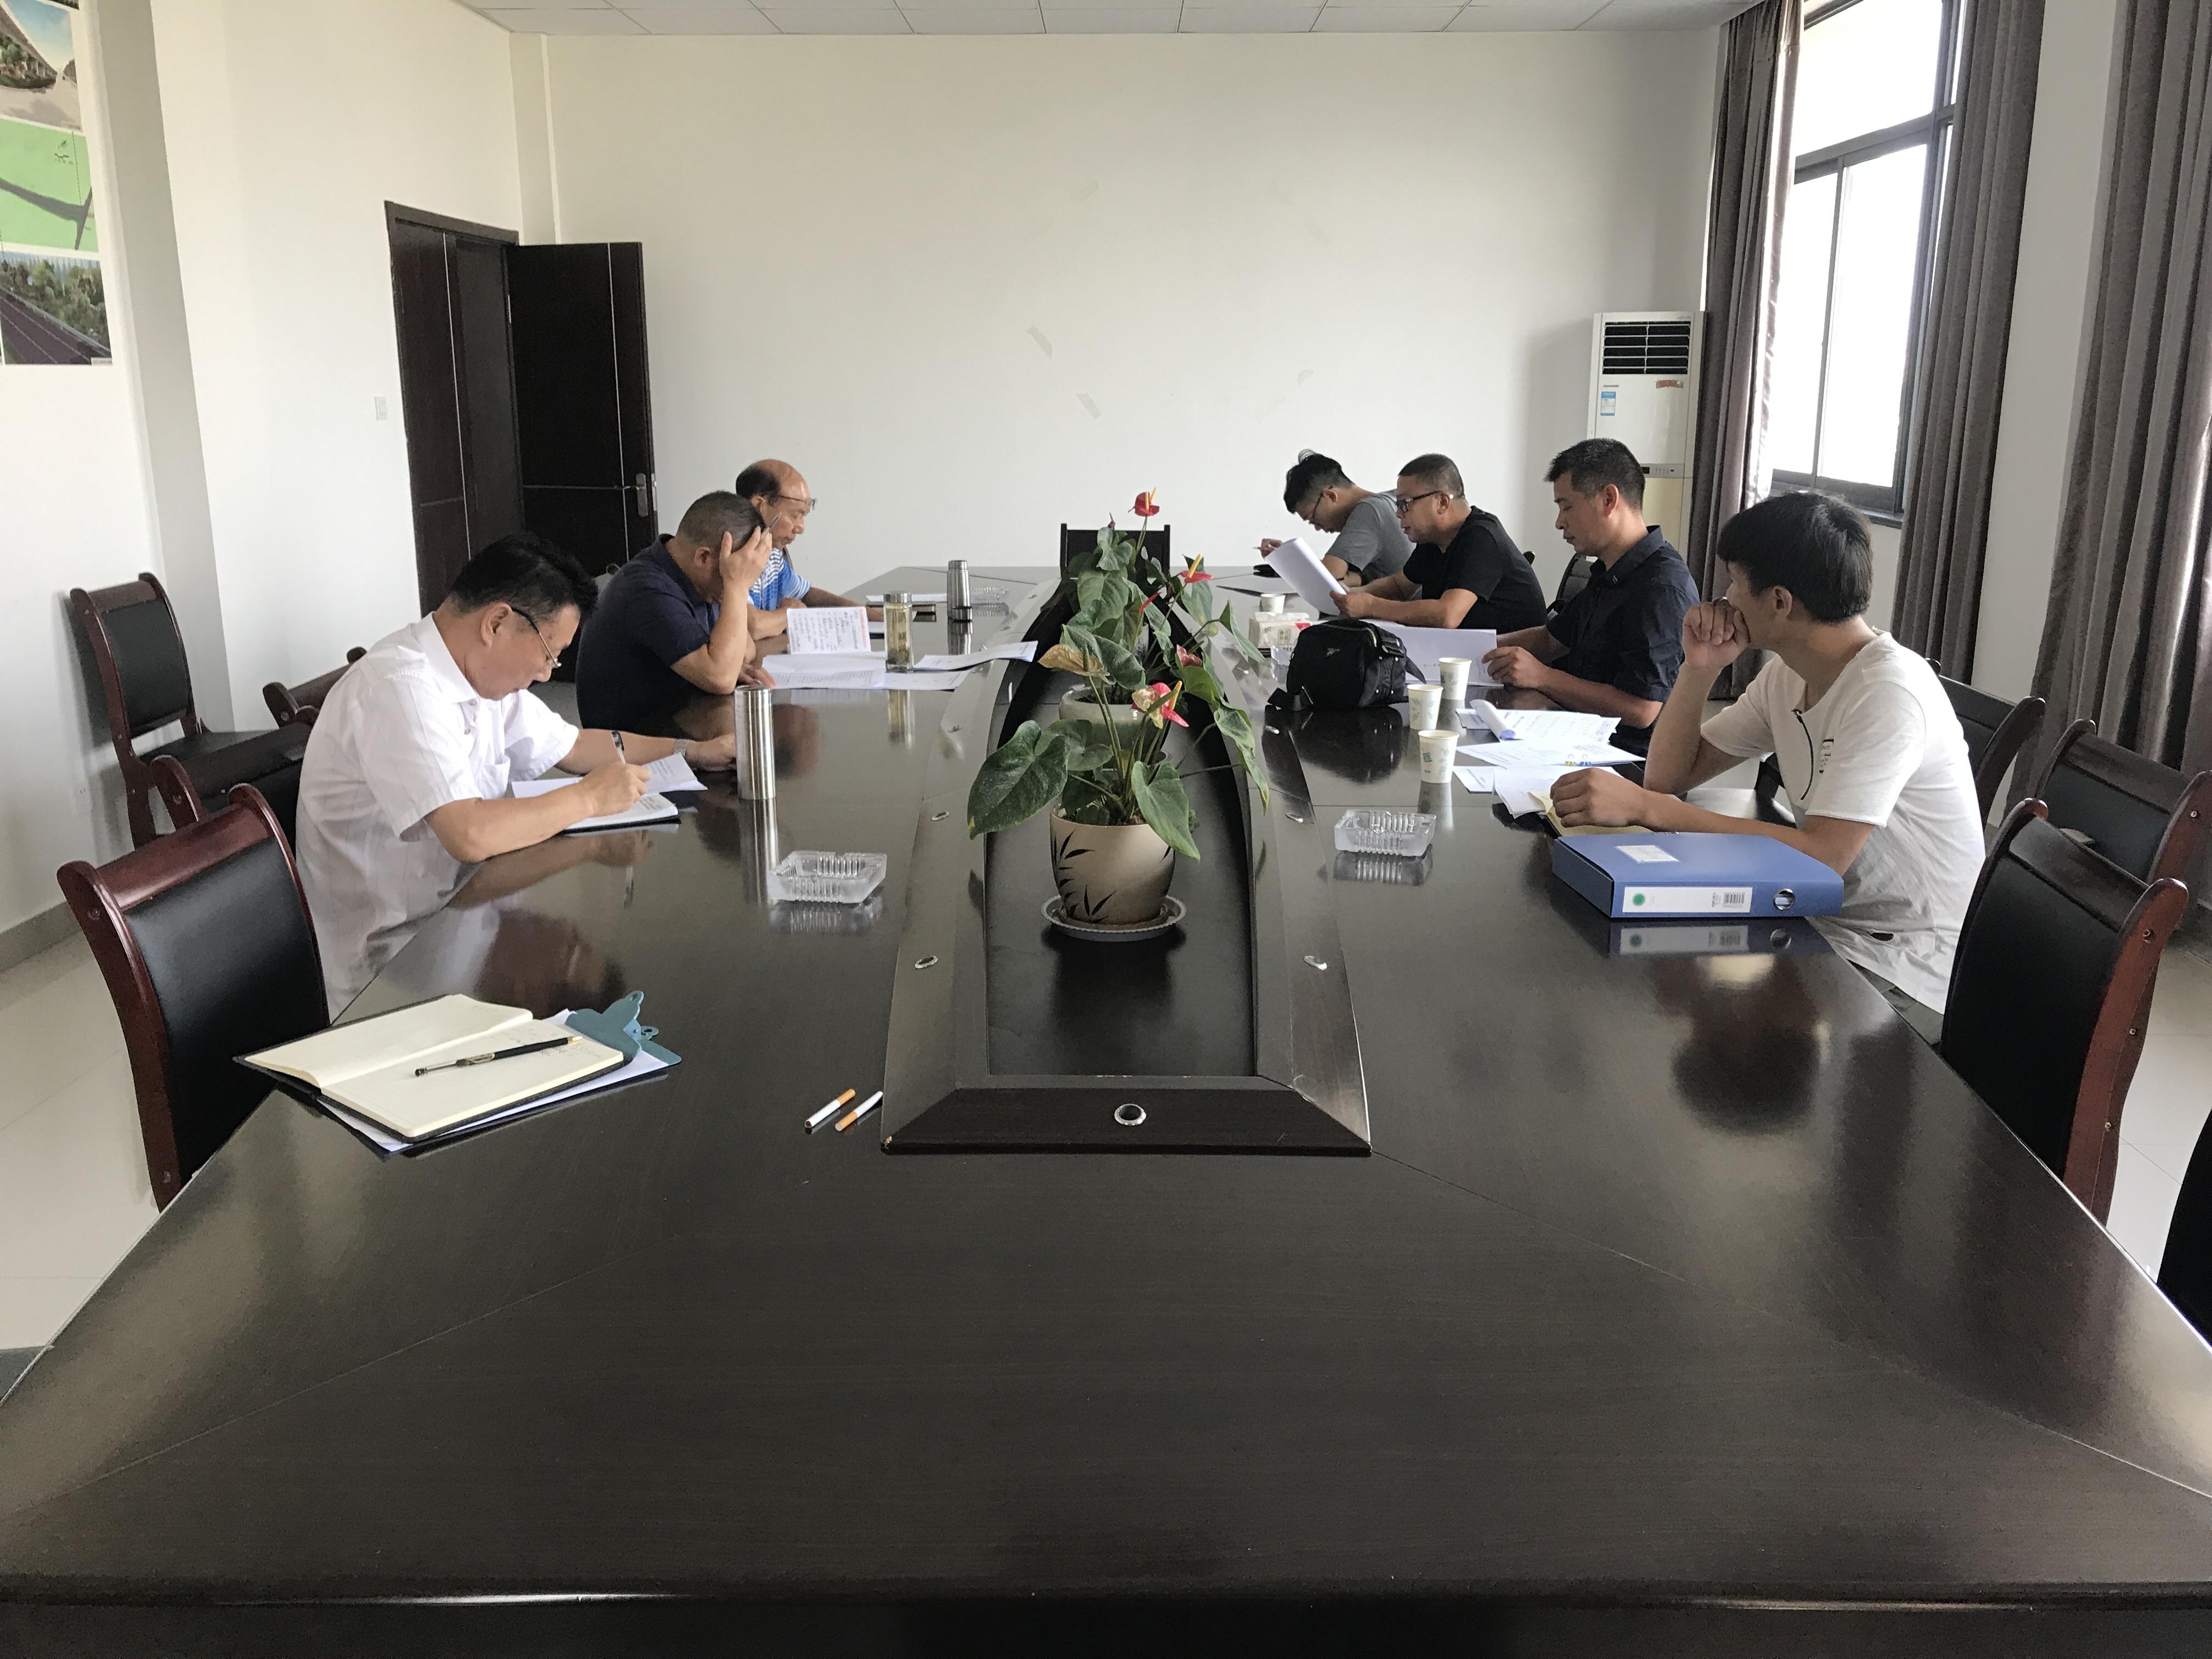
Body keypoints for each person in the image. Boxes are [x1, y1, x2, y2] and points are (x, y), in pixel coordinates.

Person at [1548, 492, 1984, 1024]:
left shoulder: (1888, 693)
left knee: (1680, 1006)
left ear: (1779, 601)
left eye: (1734, 582)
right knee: (1659, 979)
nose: (1725, 598)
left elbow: (1823, 857)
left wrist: (1646, 809)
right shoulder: (1787, 674)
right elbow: (1668, 777)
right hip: (1816, 913)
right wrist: (1700, 669)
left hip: (1901, 960)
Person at [297, 532, 738, 1013]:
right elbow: (469, 833)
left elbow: (575, 746)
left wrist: (692, 752)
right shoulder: (400, 688)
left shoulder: (480, 678)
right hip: (393, 968)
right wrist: (589, 800)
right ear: (498, 623)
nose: (548, 674)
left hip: (462, 904)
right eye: (549, 654)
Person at [1481, 438, 1700, 754]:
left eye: (1567, 506)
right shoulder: (1610, 571)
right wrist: (1470, 650)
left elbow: (1641, 710)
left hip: (1621, 759)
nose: (1559, 522)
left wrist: (1542, 678)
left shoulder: (1661, 587)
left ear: (1609, 499)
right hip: (1578, 730)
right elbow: (1550, 640)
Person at [575, 491, 778, 731]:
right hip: (633, 742)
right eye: (742, 572)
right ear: (704, 557)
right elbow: (721, 679)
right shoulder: (646, 590)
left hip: (685, 716)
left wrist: (728, 662)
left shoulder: (697, 579)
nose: (749, 583)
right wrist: (737, 585)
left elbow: (747, 649)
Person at [1336, 453, 1546, 633]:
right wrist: (1349, 595)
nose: (1398, 513)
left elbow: (1447, 615)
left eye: (1405, 504)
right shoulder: (1433, 538)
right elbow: (1399, 587)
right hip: (1462, 651)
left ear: (1442, 502)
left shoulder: (1482, 536)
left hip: (1509, 659)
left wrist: (1372, 606)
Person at [735, 459, 865, 643]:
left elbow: (805, 594)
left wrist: (864, 613)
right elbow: (753, 627)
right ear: (759, 506)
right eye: (796, 515)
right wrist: (790, 613)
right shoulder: (734, 558)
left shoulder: (773, 554)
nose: (801, 528)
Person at [1257, 450, 1412, 587]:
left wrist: (1286, 559)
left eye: (1313, 518)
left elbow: (1326, 580)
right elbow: (1346, 578)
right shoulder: (1391, 500)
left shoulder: (1370, 510)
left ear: (1330, 496)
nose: (1318, 527)